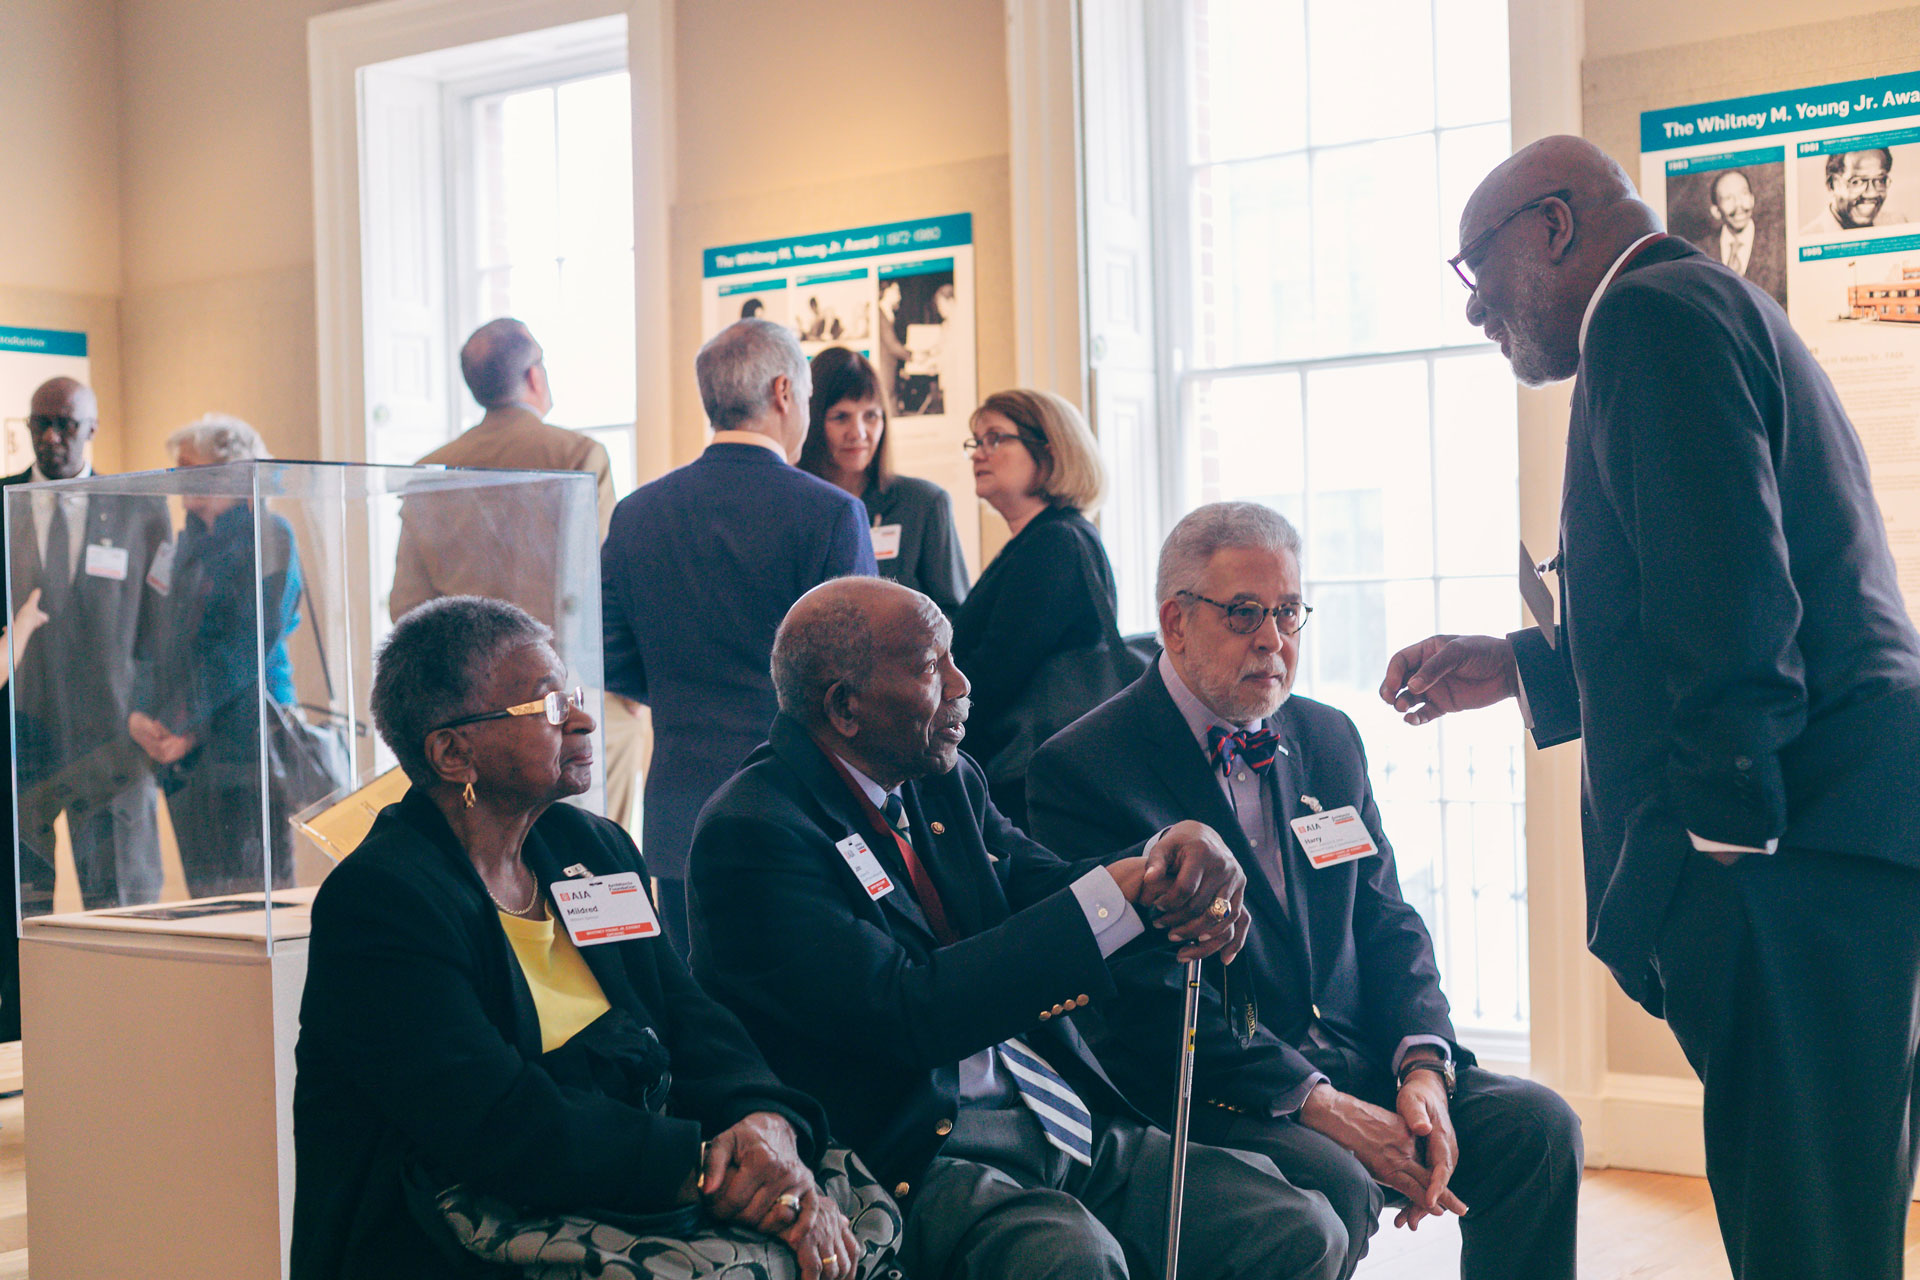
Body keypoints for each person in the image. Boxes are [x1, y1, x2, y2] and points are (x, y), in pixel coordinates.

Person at [1381, 135, 1920, 1280]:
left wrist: (1719, 858)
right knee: (1827, 1215)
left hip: (1792, 864)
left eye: (1475, 269)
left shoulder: (1648, 317)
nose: (1475, 309)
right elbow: (1690, 594)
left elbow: (1733, 609)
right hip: (1840, 846)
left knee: (1806, 1234)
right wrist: (1521, 665)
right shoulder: (1701, 306)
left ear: (1554, 225)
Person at [689, 575, 1349, 1280]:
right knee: (1075, 1260)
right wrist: (1112, 894)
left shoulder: (941, 778)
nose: (962, 683)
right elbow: (909, 1009)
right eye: (931, 667)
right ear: (844, 707)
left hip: (1052, 1105)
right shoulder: (755, 832)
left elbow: (1041, 884)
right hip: (920, 1149)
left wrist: (1166, 861)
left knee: (1301, 1229)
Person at [1029, 502, 1582, 1280]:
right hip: (1222, 1090)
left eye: (1288, 612)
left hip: (1360, 1055)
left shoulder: (1326, 736)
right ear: (1175, 622)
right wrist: (1321, 1104)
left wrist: (1423, 1065)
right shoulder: (1084, 767)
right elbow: (1140, 1000)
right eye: (1244, 613)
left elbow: (1387, 921)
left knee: (1539, 1128)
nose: (1273, 639)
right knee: (1335, 1183)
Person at [292, 596, 902, 1280]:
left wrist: (762, 1119)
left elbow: (687, 1016)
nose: (583, 720)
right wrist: (706, 1170)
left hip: (624, 1209)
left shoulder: (591, 847)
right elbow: (493, 1120)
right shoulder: (382, 902)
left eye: (574, 697)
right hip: (453, 1238)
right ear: (453, 753)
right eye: (548, 707)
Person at [602, 318, 876, 956]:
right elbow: (861, 670)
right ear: (783, 392)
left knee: (696, 1001)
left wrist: (684, 692)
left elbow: (612, 657)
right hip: (801, 807)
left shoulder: (637, 514)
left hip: (680, 812)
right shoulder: (832, 512)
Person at [389, 317, 644, 836]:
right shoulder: (575, 455)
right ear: (534, 376)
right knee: (594, 853)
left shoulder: (430, 471)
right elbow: (602, 585)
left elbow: (408, 605)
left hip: (472, 712)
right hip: (568, 694)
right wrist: (627, 694)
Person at [3, 377, 171, 1025]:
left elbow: (160, 626)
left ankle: (130, 1029)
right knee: (22, 910)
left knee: (122, 901)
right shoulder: (3, 502)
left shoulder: (137, 508)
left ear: (92, 429)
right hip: (21, 736)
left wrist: (153, 715)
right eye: (40, 423)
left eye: (66, 424)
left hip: (112, 741)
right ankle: (27, 1042)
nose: (51, 437)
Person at [127, 416, 306, 898]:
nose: (179, 477)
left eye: (190, 466)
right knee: (206, 901)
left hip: (245, 744)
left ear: (233, 470)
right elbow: (157, 638)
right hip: (185, 754)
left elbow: (246, 646)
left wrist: (182, 724)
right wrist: (145, 713)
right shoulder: (185, 541)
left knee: (258, 898)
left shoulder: (270, 535)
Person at [950, 389, 1129, 827]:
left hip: (1031, 781)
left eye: (996, 438)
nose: (980, 453)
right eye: (976, 441)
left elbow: (996, 671)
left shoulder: (1054, 543)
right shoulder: (1048, 537)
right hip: (1035, 772)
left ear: (1048, 451)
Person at [798, 346, 969, 615]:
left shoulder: (925, 504)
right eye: (841, 417)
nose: (858, 433)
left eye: (871, 416)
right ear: (812, 422)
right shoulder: (792, 507)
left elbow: (954, 616)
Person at [1689, 169, 1784, 306]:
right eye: (1728, 198)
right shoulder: (1699, 253)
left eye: (1743, 194)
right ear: (1716, 211)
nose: (1739, 205)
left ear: (1752, 199)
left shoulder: (1779, 244)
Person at [1801, 147, 1909, 233]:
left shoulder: (1898, 224)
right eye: (1857, 182)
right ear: (1832, 185)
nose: (1872, 193)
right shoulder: (1809, 237)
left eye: (1880, 180)